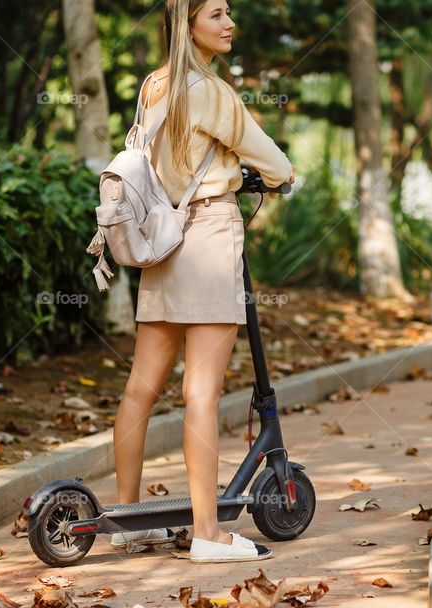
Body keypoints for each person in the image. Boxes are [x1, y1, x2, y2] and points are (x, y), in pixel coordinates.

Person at [109, 0, 294, 562]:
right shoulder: (213, 91)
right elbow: (277, 164)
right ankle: (209, 534)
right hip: (209, 238)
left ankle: (127, 518)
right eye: (216, 13)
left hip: (160, 241)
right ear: (188, 23)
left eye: (230, 11)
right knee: (201, 394)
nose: (230, 22)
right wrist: (269, 177)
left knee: (141, 388)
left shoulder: (153, 85)